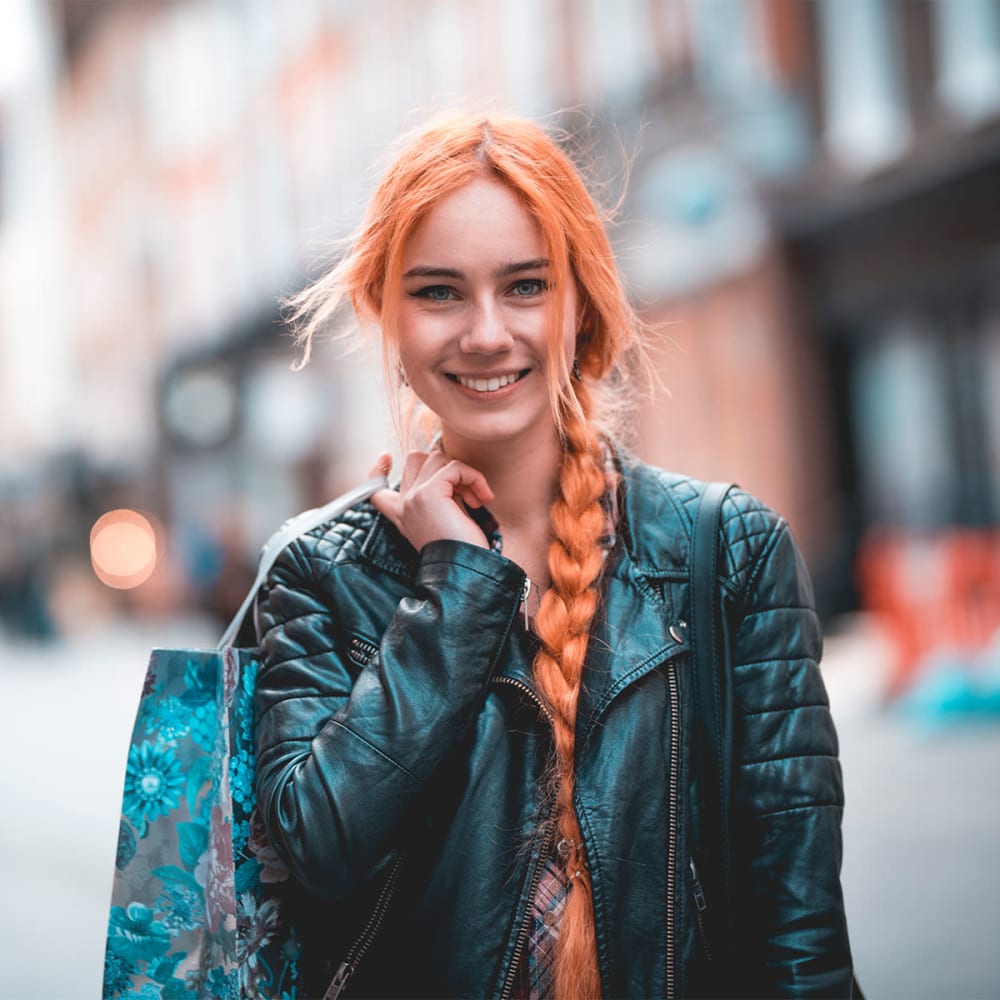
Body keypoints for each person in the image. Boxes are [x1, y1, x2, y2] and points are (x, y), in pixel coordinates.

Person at [253, 113, 854, 999]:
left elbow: (798, 933)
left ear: (582, 301)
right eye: (439, 292)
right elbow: (320, 854)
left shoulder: (729, 551)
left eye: (526, 286)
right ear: (383, 310)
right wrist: (453, 594)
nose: (487, 333)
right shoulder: (317, 568)